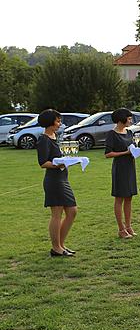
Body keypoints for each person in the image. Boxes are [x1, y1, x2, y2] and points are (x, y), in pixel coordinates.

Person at [36, 109, 77, 258]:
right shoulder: (44, 139)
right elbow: (43, 163)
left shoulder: (55, 137)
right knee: (57, 214)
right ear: (50, 122)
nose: (60, 124)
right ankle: (56, 248)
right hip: (53, 181)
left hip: (62, 179)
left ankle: (61, 244)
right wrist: (59, 164)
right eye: (57, 121)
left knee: (72, 211)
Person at [105, 108, 138, 239]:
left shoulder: (129, 132)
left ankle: (129, 226)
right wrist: (125, 153)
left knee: (129, 197)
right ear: (121, 119)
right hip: (120, 168)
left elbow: (133, 147)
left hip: (130, 167)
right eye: (129, 118)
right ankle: (121, 228)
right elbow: (108, 154)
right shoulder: (112, 134)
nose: (130, 121)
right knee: (119, 198)